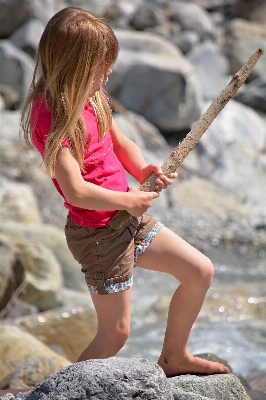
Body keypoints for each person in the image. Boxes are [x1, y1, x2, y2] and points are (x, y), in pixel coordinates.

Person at [20, 7, 229, 377]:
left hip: (125, 219)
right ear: (75, 66)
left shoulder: (91, 96)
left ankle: (174, 356)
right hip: (98, 234)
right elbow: (76, 191)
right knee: (115, 333)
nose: (109, 72)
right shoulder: (52, 117)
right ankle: (57, 392)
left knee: (200, 271)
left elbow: (118, 141)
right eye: (102, 66)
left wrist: (142, 169)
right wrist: (128, 200)